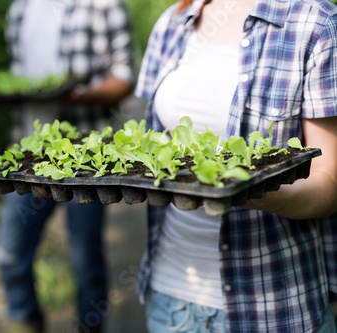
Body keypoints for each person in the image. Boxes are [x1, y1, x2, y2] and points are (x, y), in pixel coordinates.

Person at [134, 0, 337, 332]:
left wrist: (258, 192)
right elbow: (150, 143)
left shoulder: (315, 22)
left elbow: (329, 182)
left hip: (275, 306)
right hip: (171, 299)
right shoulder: (173, 22)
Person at [0, 0, 135, 332]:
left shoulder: (103, 5)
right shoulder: (20, 9)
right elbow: (17, 75)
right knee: (8, 254)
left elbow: (124, 78)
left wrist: (79, 95)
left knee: (86, 260)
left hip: (84, 159)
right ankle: (25, 321)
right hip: (28, 155)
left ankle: (90, 325)